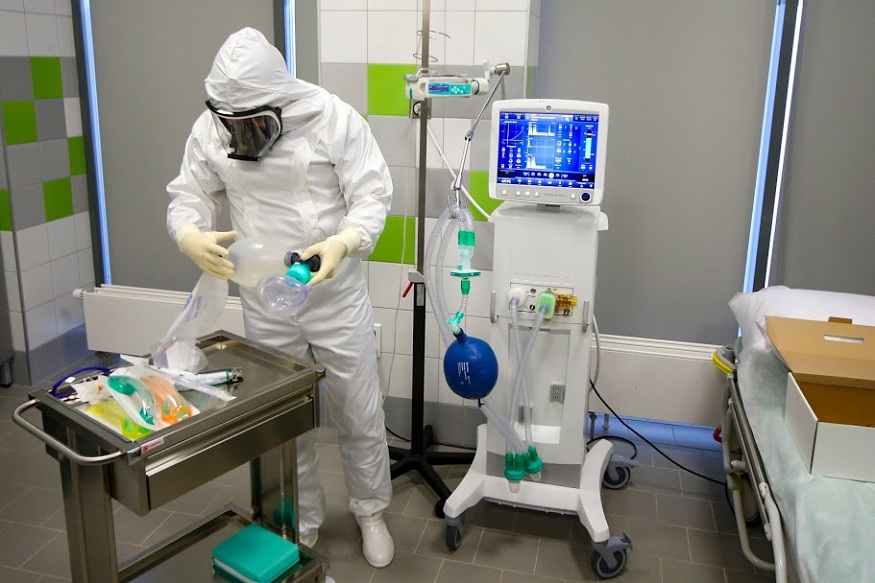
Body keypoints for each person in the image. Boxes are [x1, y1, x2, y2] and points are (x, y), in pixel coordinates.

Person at [166, 27, 395, 568]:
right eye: (233, 125)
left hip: (332, 292)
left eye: (254, 124)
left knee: (358, 409)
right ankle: (300, 525)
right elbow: (189, 194)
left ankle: (370, 511)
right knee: (285, 420)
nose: (243, 135)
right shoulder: (213, 126)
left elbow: (373, 195)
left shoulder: (332, 119)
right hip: (266, 297)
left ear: (280, 101)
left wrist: (344, 241)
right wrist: (189, 234)